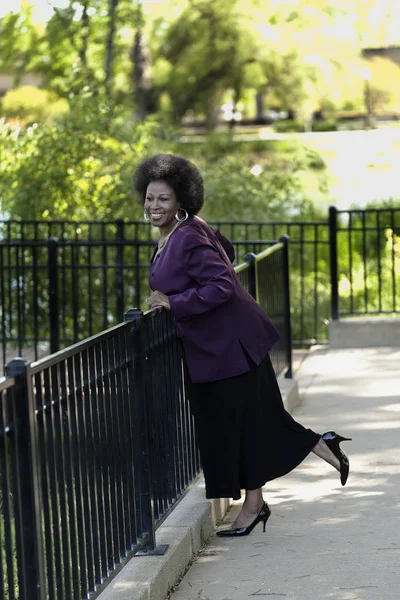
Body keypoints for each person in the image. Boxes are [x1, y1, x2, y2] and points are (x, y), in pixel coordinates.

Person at [133, 153, 351, 537]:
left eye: (163, 199)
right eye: (150, 198)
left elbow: (221, 284)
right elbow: (227, 251)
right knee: (248, 423)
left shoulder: (185, 235)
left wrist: (175, 300)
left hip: (229, 348)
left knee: (244, 426)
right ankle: (311, 455)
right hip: (226, 346)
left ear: (180, 200)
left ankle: (260, 500)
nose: (154, 206)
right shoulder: (186, 231)